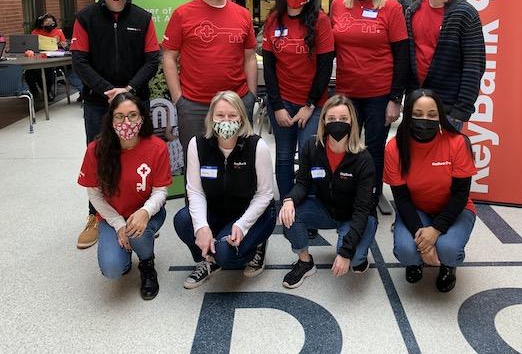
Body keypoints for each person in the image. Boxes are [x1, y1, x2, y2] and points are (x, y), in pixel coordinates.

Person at [71, 0, 160, 249]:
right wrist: (109, 90)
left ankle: (143, 215)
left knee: (139, 156)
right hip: (99, 103)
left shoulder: (143, 19)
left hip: (137, 101)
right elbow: (80, 61)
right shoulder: (85, 18)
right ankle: (96, 217)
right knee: (101, 157)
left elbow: (152, 60)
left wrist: (129, 90)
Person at [162, 0, 258, 171]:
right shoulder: (183, 14)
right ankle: (195, 206)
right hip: (195, 106)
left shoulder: (242, 15)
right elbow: (169, 57)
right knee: (196, 164)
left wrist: (250, 96)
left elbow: (249, 56)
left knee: (238, 162)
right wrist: (179, 99)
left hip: (236, 104)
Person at [330, 0, 408, 210]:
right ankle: (346, 191)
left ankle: (370, 197)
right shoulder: (338, 4)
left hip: (379, 93)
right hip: (346, 92)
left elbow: (402, 55)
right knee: (344, 145)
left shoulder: (391, 8)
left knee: (374, 148)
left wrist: (395, 99)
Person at [173, 91, 275, 288]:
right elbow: (195, 191)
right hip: (218, 210)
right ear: (211, 117)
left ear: (242, 118)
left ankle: (257, 246)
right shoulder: (198, 144)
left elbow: (265, 194)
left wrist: (243, 225)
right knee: (183, 220)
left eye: (232, 115)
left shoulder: (256, 146)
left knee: (227, 257)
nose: (226, 121)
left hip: (254, 214)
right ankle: (208, 260)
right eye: (220, 115)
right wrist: (201, 226)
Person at [77, 93, 171, 300]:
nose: (126, 122)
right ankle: (126, 255)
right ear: (110, 120)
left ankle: (147, 265)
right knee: (112, 269)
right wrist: (118, 223)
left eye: (133, 115)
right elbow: (94, 193)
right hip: (112, 218)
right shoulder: (96, 150)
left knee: (137, 231)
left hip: (147, 213)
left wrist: (145, 211)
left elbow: (161, 190)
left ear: (142, 118)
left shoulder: (157, 147)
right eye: (119, 116)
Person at [279, 94, 377, 289]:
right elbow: (303, 182)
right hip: (325, 209)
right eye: (331, 119)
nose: (337, 123)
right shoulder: (312, 147)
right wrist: (289, 199)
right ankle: (305, 262)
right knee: (290, 214)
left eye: (343, 119)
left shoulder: (363, 159)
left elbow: (362, 209)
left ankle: (358, 255)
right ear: (323, 120)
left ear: (352, 122)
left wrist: (345, 252)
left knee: (354, 258)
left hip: (354, 215)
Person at [384, 89, 477, 293]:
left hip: (454, 208)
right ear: (408, 115)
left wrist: (435, 231)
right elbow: (401, 199)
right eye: (417, 114)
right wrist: (422, 236)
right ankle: (415, 263)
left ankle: (448, 266)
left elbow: (460, 196)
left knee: (449, 250)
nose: (424, 120)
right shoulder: (394, 147)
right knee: (406, 251)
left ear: (440, 116)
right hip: (416, 209)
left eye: (431, 115)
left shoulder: (457, 143)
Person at [262, 0, 335, 198]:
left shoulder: (321, 21)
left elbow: (325, 66)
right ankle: (286, 202)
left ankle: (305, 204)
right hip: (282, 101)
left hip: (312, 105)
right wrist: (277, 106)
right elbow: (270, 68)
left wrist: (310, 104)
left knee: (308, 155)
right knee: (283, 155)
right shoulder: (273, 19)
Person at [405, 0, 486, 131]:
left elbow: (474, 66)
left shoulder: (466, 14)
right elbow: (409, 60)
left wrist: (461, 110)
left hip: (448, 108)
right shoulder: (412, 11)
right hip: (415, 105)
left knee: (444, 159)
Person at [25, 13, 68, 99]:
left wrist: (62, 44)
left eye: (52, 23)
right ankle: (35, 92)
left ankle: (47, 92)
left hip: (52, 58)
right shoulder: (35, 32)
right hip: (38, 58)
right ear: (42, 24)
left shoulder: (58, 32)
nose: (50, 25)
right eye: (47, 23)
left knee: (48, 71)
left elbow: (65, 46)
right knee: (29, 73)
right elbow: (30, 46)